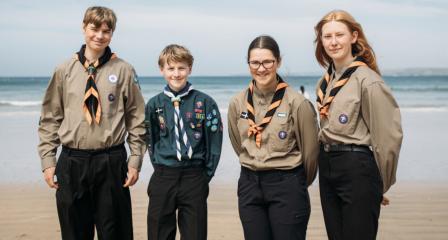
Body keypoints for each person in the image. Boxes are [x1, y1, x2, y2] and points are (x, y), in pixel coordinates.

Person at [37, 6, 146, 240]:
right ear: (84, 28)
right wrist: (48, 160)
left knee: (115, 233)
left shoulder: (124, 70)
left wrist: (135, 160)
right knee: (74, 233)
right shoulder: (64, 70)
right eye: (94, 29)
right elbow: (49, 118)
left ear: (112, 34)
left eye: (106, 31)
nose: (99, 35)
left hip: (111, 161)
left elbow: (136, 119)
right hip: (72, 162)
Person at [314, 10, 403, 240]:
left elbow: (389, 136)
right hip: (328, 167)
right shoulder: (325, 82)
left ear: (353, 37)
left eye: (339, 35)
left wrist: (381, 183)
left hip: (357, 169)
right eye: (327, 36)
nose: (333, 42)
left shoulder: (367, 80)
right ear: (321, 41)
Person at [227, 35, 320, 240]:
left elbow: (311, 154)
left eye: (267, 62)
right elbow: (238, 143)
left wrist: (294, 183)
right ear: (248, 63)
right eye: (255, 62)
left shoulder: (297, 103)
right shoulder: (237, 103)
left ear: (278, 62)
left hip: (287, 185)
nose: (261, 68)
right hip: (249, 184)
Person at [145, 44, 223, 240]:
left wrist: (205, 175)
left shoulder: (205, 103)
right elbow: (150, 140)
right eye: (171, 68)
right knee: (158, 234)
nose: (176, 74)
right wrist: (160, 167)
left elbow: (214, 142)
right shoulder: (154, 105)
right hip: (164, 175)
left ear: (190, 68)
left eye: (181, 68)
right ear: (162, 70)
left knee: (195, 234)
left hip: (194, 177)